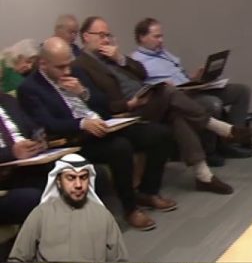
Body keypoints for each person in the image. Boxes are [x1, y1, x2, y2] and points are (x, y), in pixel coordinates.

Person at [73, 16, 252, 194]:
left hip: (147, 100)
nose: (106, 40)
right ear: (86, 36)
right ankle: (222, 129)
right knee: (168, 91)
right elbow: (97, 102)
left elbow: (142, 73)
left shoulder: (111, 56)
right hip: (127, 111)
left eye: (108, 35)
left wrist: (120, 58)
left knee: (177, 116)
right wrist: (128, 104)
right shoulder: (80, 65)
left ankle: (204, 176)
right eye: (101, 35)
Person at [18, 37, 177, 230]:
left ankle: (148, 191)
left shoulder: (75, 72)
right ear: (43, 64)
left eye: (68, 64)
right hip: (77, 139)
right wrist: (82, 124)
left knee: (160, 133)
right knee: (120, 147)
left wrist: (83, 93)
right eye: (60, 67)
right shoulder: (29, 88)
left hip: (105, 126)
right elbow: (47, 123)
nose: (67, 71)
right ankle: (131, 209)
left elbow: (104, 103)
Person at [131, 17, 252, 164]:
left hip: (192, 88)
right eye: (156, 36)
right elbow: (146, 88)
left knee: (241, 91)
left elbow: (181, 76)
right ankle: (210, 151)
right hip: (178, 99)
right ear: (142, 37)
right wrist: (164, 86)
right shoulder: (137, 62)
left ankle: (233, 141)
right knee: (213, 103)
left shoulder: (163, 53)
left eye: (161, 36)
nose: (161, 40)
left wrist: (195, 78)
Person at [8, 154, 129, 262]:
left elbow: (120, 262)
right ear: (58, 182)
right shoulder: (41, 214)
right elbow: (17, 259)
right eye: (71, 178)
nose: (78, 185)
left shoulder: (103, 215)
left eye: (83, 177)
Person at [0, 92, 49, 226]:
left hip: (25, 168)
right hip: (3, 179)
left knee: (71, 173)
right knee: (32, 197)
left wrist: (38, 140)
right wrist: (11, 153)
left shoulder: (7, 100)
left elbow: (33, 128)